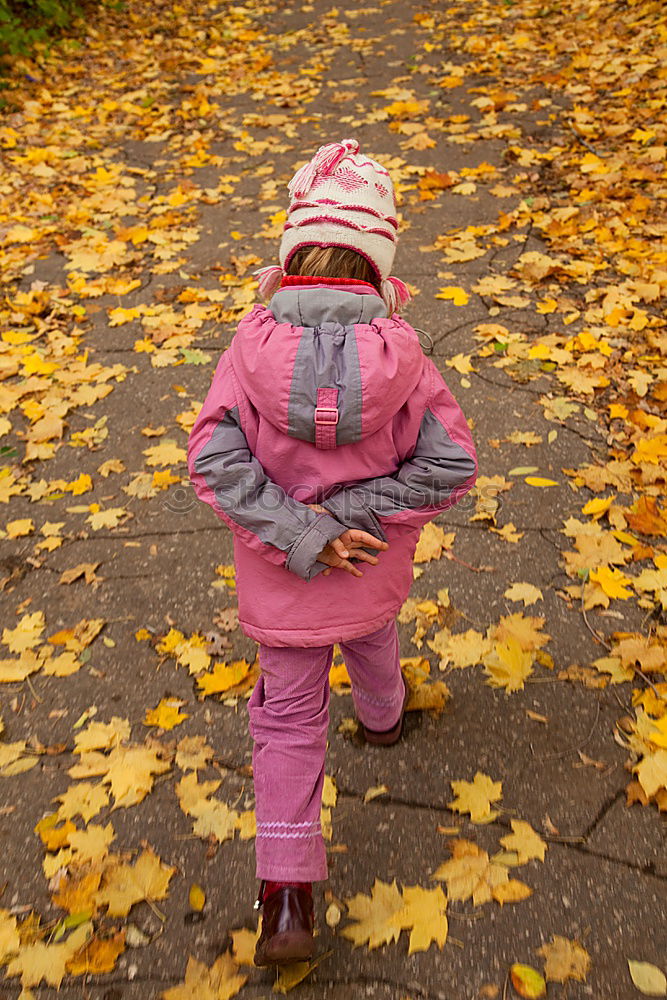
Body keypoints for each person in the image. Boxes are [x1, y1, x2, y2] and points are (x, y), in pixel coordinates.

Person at [186, 138, 478, 967]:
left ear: (292, 253)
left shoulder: (246, 352)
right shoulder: (406, 359)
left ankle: (285, 899)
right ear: (377, 257)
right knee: (372, 635)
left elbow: (215, 460)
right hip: (370, 562)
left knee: (285, 723)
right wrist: (357, 513)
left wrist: (304, 528)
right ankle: (382, 720)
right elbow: (450, 463)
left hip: (282, 578)